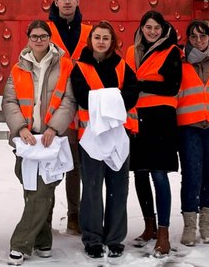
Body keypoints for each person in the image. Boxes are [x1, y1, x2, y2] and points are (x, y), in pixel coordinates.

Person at [3, 20, 78, 265]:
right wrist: (21, 128)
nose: (38, 40)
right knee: (31, 188)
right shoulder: (18, 68)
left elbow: (69, 100)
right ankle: (44, 240)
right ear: (28, 38)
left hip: (51, 140)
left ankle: (21, 243)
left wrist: (55, 128)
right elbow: (9, 101)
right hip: (27, 139)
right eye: (34, 36)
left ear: (49, 38)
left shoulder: (65, 65)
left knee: (43, 189)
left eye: (43, 36)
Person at [70, 22, 139, 259]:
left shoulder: (122, 66)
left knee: (118, 188)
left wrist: (105, 99)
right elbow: (82, 97)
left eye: (105, 38)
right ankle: (92, 239)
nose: (101, 41)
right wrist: (114, 97)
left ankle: (115, 238)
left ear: (112, 42)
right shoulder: (79, 67)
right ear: (91, 41)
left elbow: (132, 94)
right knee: (91, 188)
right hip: (90, 137)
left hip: (119, 135)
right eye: (97, 37)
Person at [126, 11, 182, 257]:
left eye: (156, 28)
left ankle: (163, 232)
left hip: (161, 118)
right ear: (142, 28)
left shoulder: (172, 52)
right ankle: (149, 224)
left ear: (163, 29)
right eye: (148, 27)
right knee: (140, 173)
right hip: (137, 118)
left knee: (159, 174)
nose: (152, 31)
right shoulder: (131, 52)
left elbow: (171, 86)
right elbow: (125, 84)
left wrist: (141, 84)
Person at [176, 20, 209, 247]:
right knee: (191, 174)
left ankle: (206, 222)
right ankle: (189, 225)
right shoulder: (180, 62)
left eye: (203, 36)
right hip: (189, 125)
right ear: (188, 39)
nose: (199, 41)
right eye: (194, 37)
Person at [47, 0, 92, 235]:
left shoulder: (89, 31)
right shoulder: (46, 30)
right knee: (50, 163)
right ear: (55, 2)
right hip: (52, 107)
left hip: (80, 110)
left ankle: (74, 215)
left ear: (77, 1)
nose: (66, 2)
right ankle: (46, 214)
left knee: (75, 166)